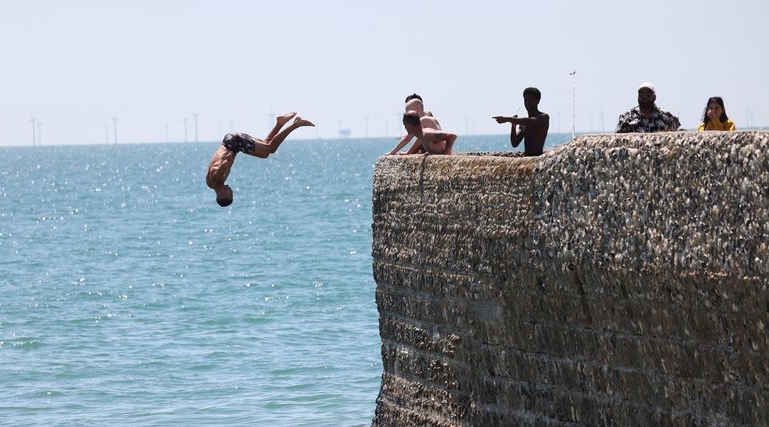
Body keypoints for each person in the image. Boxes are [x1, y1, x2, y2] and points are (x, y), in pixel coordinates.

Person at [206, 112, 314, 207]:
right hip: (232, 144)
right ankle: (279, 123)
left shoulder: (217, 178)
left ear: (222, 194)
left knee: (271, 148)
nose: (231, 190)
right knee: (264, 154)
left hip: (234, 142)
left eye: (231, 193)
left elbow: (218, 166)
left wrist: (227, 159)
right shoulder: (212, 184)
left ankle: (296, 124)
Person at [493, 87, 550, 156]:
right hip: (527, 158)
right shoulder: (523, 124)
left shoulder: (544, 117)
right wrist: (513, 126)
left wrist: (508, 119)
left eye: (530, 100)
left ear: (538, 101)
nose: (527, 103)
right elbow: (514, 143)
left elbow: (530, 122)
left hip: (538, 156)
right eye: (525, 100)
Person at [616, 83, 680, 133]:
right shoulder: (627, 117)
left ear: (655, 97)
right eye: (641, 94)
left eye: (648, 94)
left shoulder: (666, 116)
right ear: (638, 97)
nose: (645, 96)